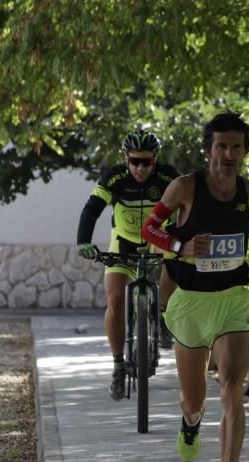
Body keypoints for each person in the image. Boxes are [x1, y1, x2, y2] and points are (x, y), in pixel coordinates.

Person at [140, 112, 249, 462]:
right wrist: (180, 247)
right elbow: (150, 229)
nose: (229, 154)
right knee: (195, 399)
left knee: (231, 389)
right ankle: (191, 422)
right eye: (221, 146)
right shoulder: (185, 187)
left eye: (236, 147)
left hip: (232, 301)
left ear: (244, 152)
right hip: (191, 302)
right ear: (208, 150)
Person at [77, 128, 179, 401]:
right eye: (135, 161)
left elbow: (189, 205)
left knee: (175, 266)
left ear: (155, 160)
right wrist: (83, 241)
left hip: (159, 240)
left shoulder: (169, 178)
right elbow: (92, 207)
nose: (140, 168)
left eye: (147, 162)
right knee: (114, 300)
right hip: (123, 243)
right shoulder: (115, 178)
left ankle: (164, 313)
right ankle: (118, 365)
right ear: (126, 159)